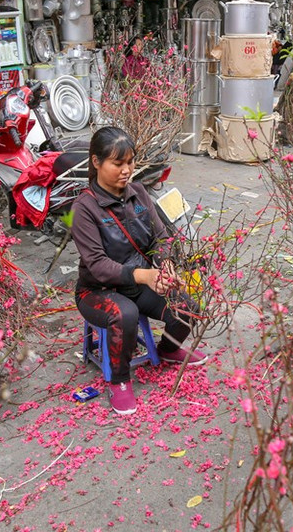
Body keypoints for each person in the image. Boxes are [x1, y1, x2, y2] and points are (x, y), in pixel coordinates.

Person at [70, 126, 207, 415]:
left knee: (188, 308)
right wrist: (145, 275)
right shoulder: (85, 208)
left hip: (141, 283)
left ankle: (168, 350)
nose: (126, 170)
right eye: (117, 163)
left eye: (130, 162)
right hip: (97, 290)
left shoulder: (139, 193)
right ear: (96, 162)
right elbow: (98, 265)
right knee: (125, 314)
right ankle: (118, 380)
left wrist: (166, 263)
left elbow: (162, 238)